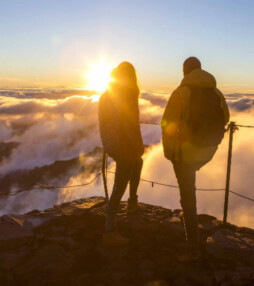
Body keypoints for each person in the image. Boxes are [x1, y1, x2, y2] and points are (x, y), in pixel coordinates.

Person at [161, 57, 229, 257]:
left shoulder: (181, 92)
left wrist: (169, 151)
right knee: (190, 179)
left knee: (187, 192)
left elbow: (167, 123)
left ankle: (192, 240)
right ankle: (189, 216)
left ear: (185, 72)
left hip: (186, 152)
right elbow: (225, 118)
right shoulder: (216, 92)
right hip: (207, 151)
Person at [98, 62, 144, 246]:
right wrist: (137, 145)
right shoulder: (126, 94)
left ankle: (132, 203)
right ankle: (109, 230)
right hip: (123, 143)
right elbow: (130, 124)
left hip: (111, 142)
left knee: (138, 163)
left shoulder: (107, 93)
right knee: (120, 183)